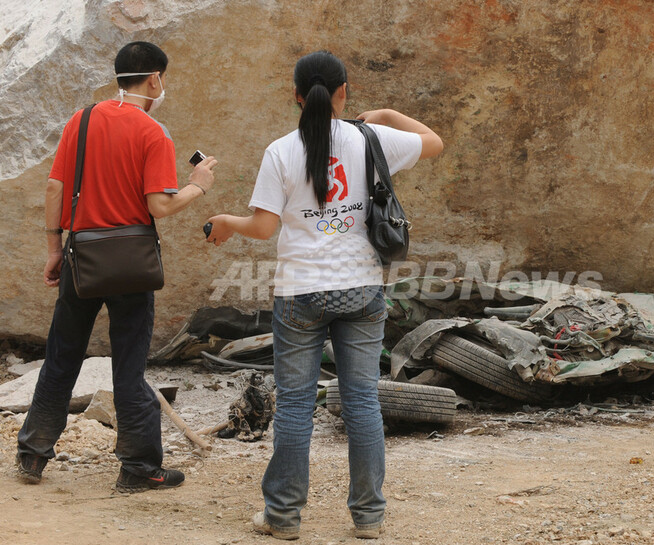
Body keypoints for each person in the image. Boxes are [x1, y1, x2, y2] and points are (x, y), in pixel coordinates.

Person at [206, 50, 443, 539]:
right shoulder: (371, 139)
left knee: (295, 407)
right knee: (362, 403)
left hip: (301, 292)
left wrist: (227, 222)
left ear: (296, 96)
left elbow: (264, 227)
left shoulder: (280, 151)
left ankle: (283, 517)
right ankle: (369, 517)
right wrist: (385, 114)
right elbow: (434, 142)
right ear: (343, 93)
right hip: (361, 289)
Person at [16, 41, 218, 493]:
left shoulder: (82, 120)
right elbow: (160, 206)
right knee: (128, 366)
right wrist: (198, 185)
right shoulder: (153, 132)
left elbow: (54, 188)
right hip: (131, 263)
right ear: (155, 79)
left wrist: (53, 249)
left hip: (80, 256)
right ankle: (138, 468)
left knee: (61, 355)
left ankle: (33, 453)